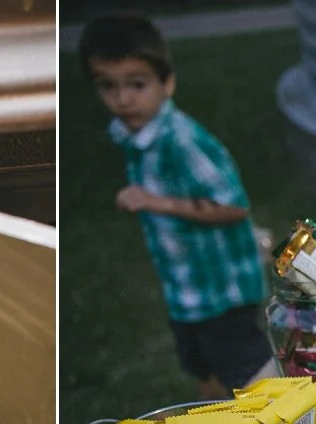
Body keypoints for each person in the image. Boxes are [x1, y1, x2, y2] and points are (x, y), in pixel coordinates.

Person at [81, 13, 273, 400]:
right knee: (202, 364)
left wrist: (154, 202)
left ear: (167, 82)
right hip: (185, 290)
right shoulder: (132, 133)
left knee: (249, 369)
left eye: (137, 84)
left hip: (222, 290)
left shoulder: (180, 140)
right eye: (108, 86)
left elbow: (233, 206)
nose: (122, 99)